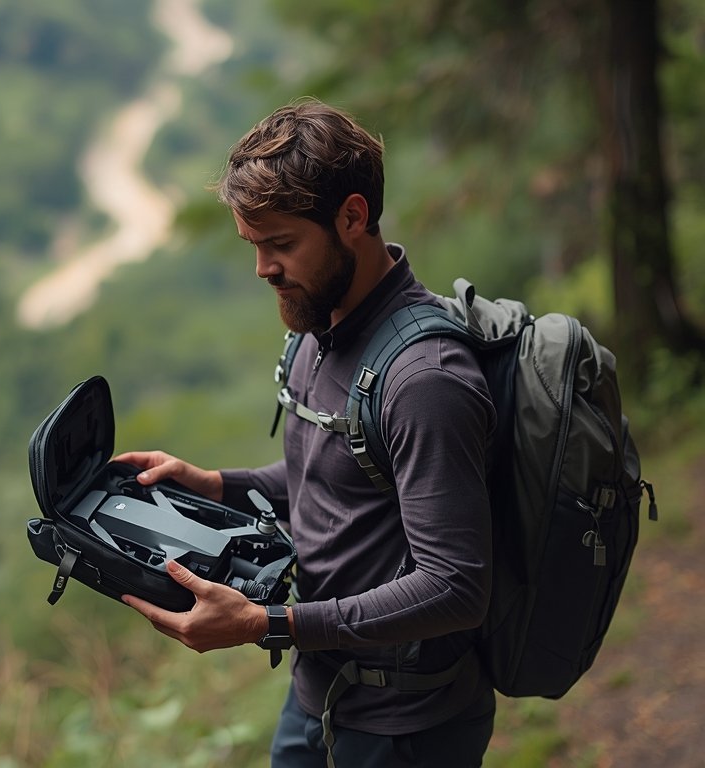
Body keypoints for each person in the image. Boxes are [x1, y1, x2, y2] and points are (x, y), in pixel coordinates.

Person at [115, 98, 497, 767]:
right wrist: (215, 484)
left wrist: (270, 624)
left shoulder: (425, 380)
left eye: (281, 244)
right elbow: (343, 475)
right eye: (254, 245)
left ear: (352, 217)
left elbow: (456, 585)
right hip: (319, 696)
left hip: (405, 727)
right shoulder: (322, 328)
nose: (263, 269)